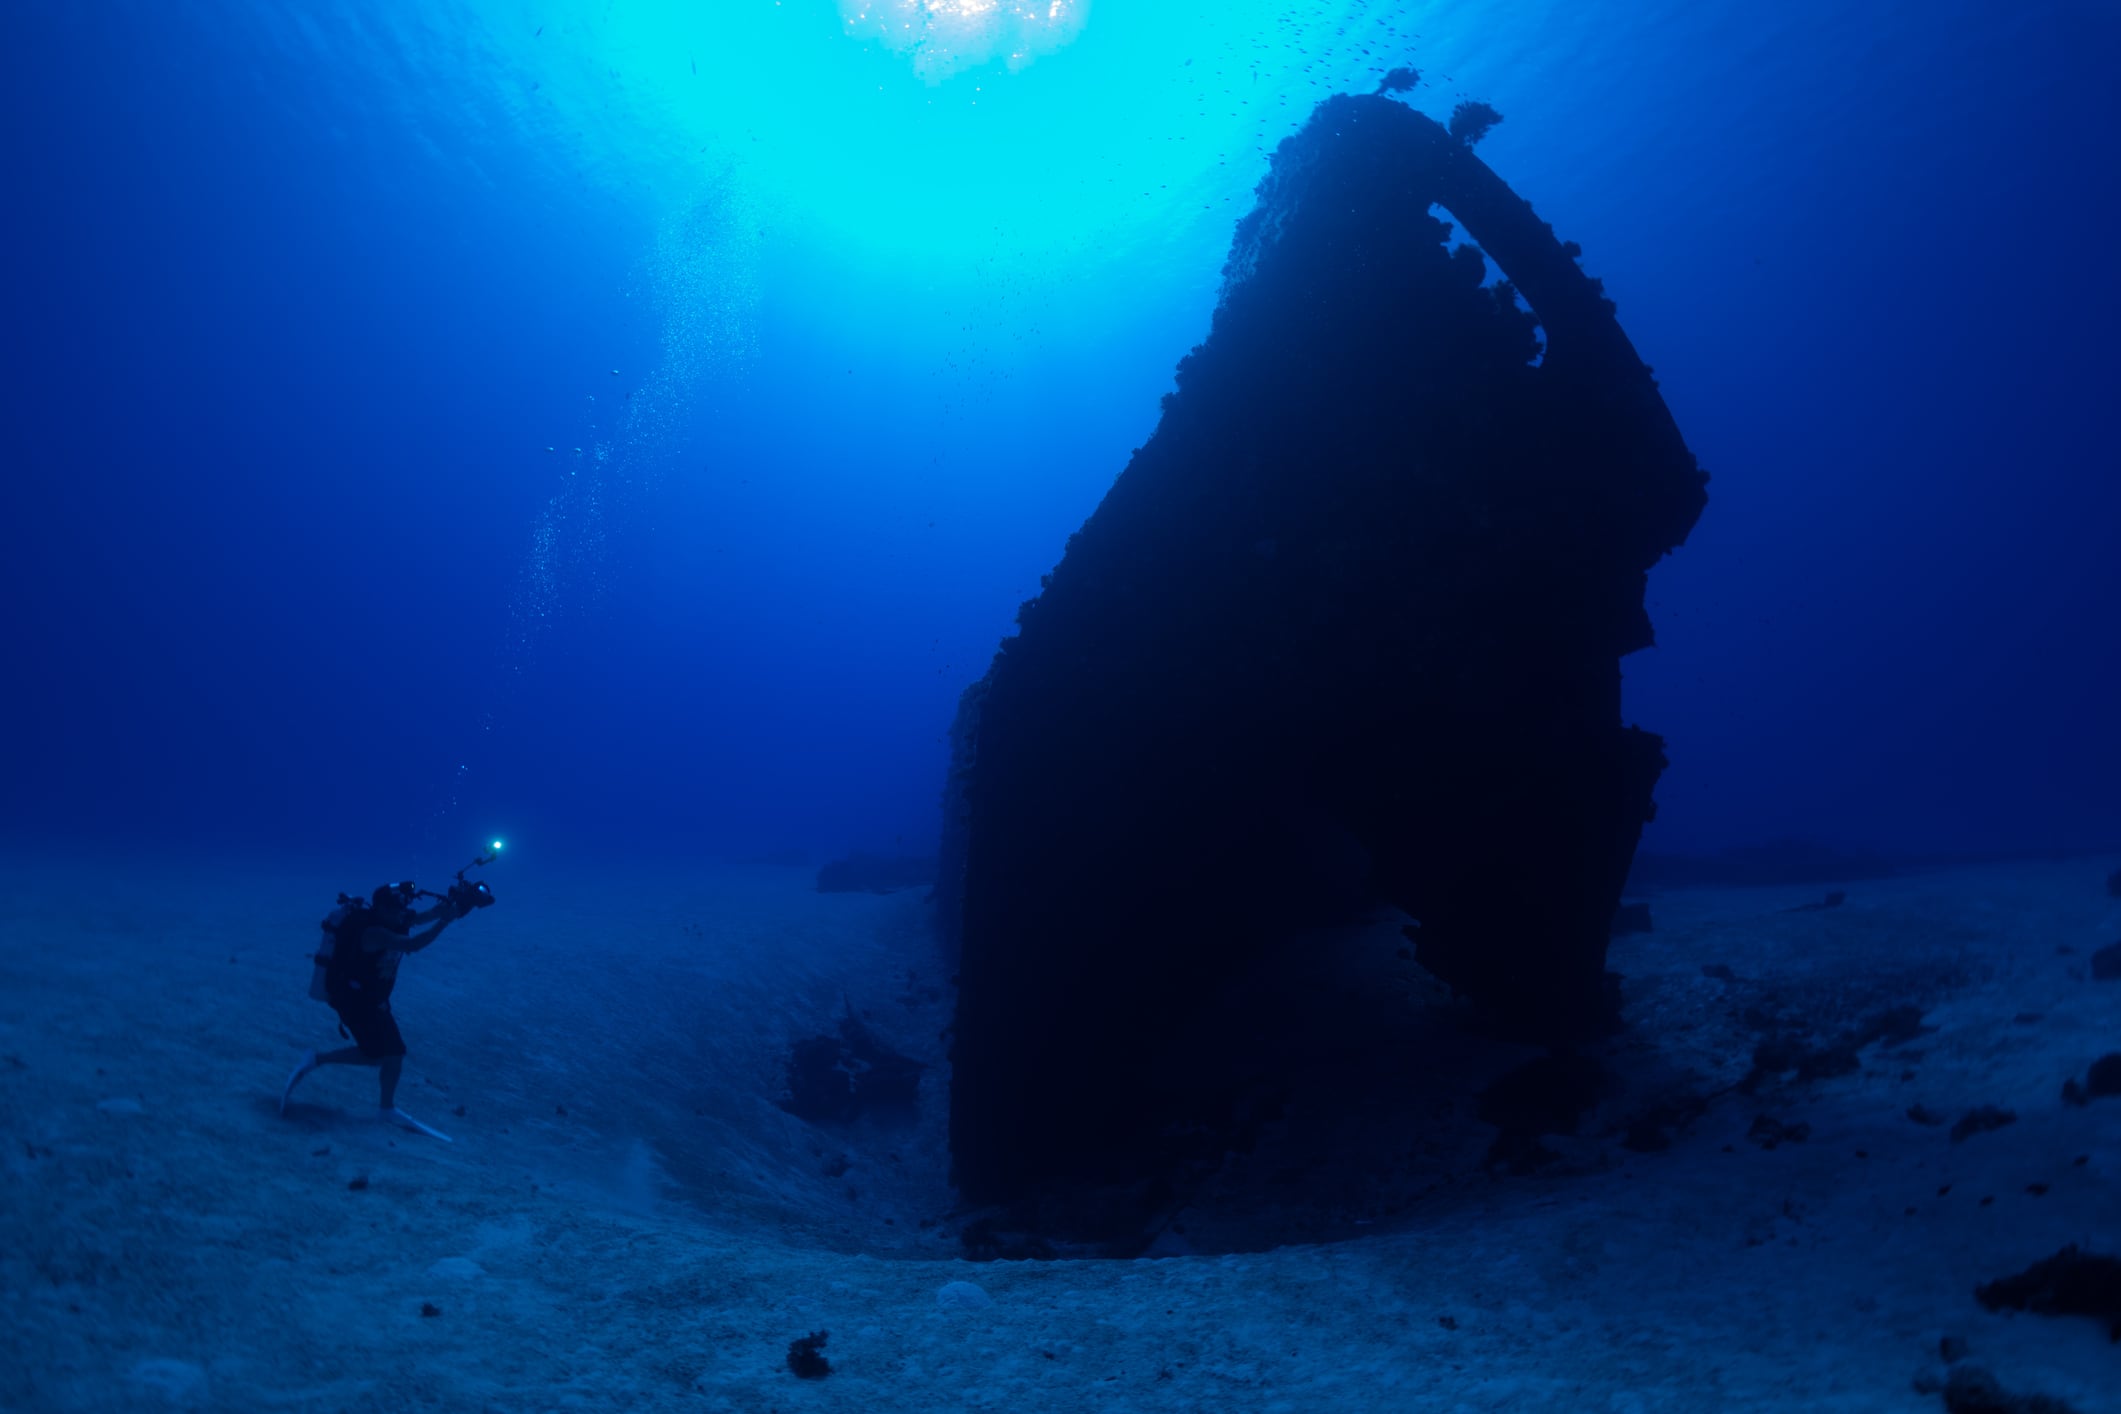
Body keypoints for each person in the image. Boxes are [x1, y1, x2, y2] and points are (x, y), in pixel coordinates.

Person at [281, 882, 463, 1135]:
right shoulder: (374, 932)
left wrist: (449, 909)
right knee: (381, 1055)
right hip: (354, 1001)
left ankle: (384, 1108)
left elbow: (421, 917)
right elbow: (413, 945)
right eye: (395, 910)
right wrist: (446, 922)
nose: (401, 914)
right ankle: (317, 1060)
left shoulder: (392, 918)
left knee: (391, 1054)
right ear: (380, 909)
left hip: (374, 999)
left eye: (402, 909)